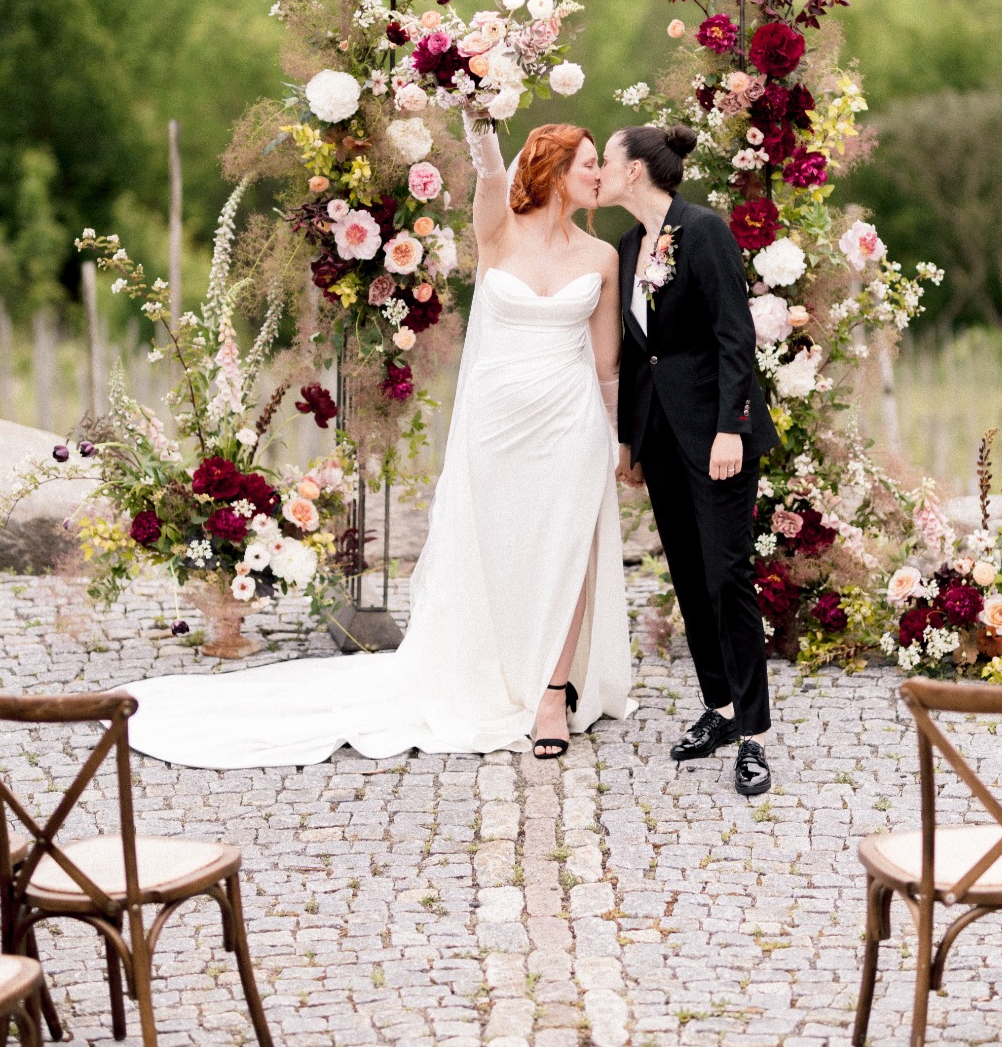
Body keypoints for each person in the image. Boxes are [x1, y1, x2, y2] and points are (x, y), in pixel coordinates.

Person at [121, 119, 632, 768]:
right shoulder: (500, 230)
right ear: (555, 170)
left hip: (571, 423)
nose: (598, 175)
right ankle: (494, 669)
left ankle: (553, 693)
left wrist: (619, 441)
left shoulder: (602, 258)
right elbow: (490, 175)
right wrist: (481, 117)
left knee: (567, 551)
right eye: (588, 163)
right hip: (498, 427)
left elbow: (607, 363)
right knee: (500, 551)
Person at [597, 123, 778, 797]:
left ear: (637, 171)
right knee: (689, 574)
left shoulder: (702, 231)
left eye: (607, 163)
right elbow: (635, 350)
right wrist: (629, 439)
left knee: (728, 575)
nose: (600, 174)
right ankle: (722, 710)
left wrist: (731, 429)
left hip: (716, 437)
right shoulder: (626, 245)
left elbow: (735, 335)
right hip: (660, 438)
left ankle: (755, 736)